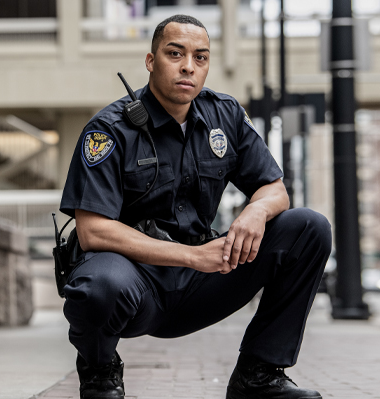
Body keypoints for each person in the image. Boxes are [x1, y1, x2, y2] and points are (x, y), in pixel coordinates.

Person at [59, 14, 332, 399]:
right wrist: (191, 256)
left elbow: (274, 189)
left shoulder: (226, 115)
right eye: (175, 53)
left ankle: (258, 375)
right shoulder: (109, 129)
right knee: (97, 285)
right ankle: (100, 372)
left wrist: (255, 211)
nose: (189, 66)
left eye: (200, 57)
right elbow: (93, 231)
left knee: (308, 227)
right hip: (137, 285)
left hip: (202, 280)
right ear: (151, 61)